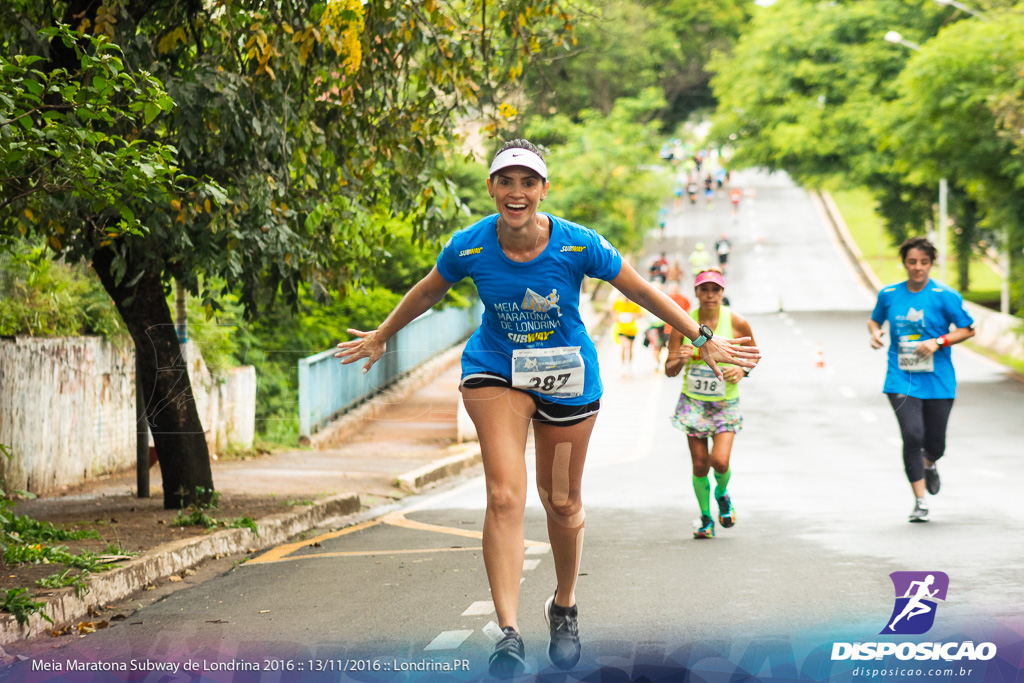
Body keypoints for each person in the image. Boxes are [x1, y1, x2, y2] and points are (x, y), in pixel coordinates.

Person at [334, 139, 759, 676]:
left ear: (543, 190)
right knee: (504, 495)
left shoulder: (579, 246)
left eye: (527, 182)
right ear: (491, 188)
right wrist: (383, 334)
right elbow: (428, 291)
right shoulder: (468, 247)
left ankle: (563, 604)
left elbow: (643, 292)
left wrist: (700, 337)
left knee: (560, 501)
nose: (516, 193)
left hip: (568, 380)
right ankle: (508, 632)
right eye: (506, 182)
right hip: (495, 369)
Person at [868, 237, 975, 523]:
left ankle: (930, 463)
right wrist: (876, 333)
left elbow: (967, 330)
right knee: (913, 435)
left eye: (924, 263)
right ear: (904, 263)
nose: (918, 268)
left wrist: (938, 341)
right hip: (901, 377)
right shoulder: (889, 294)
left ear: (931, 264)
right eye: (912, 262)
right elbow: (875, 319)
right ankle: (920, 502)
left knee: (936, 444)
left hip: (939, 378)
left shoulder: (945, 295)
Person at [665, 268, 757, 539]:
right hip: (693, 402)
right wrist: (680, 359)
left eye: (715, 290)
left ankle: (722, 494)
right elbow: (669, 369)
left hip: (724, 402)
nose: (709, 295)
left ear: (722, 293)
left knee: (719, 461)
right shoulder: (681, 324)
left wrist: (742, 371)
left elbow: (753, 355)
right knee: (699, 464)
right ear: (696, 292)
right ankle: (706, 519)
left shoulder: (737, 322)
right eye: (704, 289)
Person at [612, 293, 642, 375]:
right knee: (624, 347)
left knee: (630, 348)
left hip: (632, 329)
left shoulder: (634, 303)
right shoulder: (618, 302)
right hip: (621, 329)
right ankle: (623, 366)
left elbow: (641, 314)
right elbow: (613, 310)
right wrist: (615, 317)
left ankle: (629, 366)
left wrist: (634, 315)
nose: (626, 298)